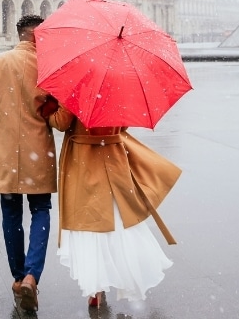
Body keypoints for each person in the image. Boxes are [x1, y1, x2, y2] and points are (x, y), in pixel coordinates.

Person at [0, 15, 70, 312]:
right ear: (39, 37)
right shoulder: (51, 69)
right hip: (38, 151)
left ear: (19, 35)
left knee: (11, 214)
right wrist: (51, 108)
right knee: (41, 210)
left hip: (3, 153)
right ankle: (31, 276)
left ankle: (17, 278)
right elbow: (62, 123)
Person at [43, 102, 181, 308]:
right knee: (118, 220)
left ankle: (96, 286)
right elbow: (124, 126)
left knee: (90, 223)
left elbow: (62, 122)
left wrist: (48, 113)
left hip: (84, 160)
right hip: (113, 158)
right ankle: (124, 273)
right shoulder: (118, 88)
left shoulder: (79, 88)